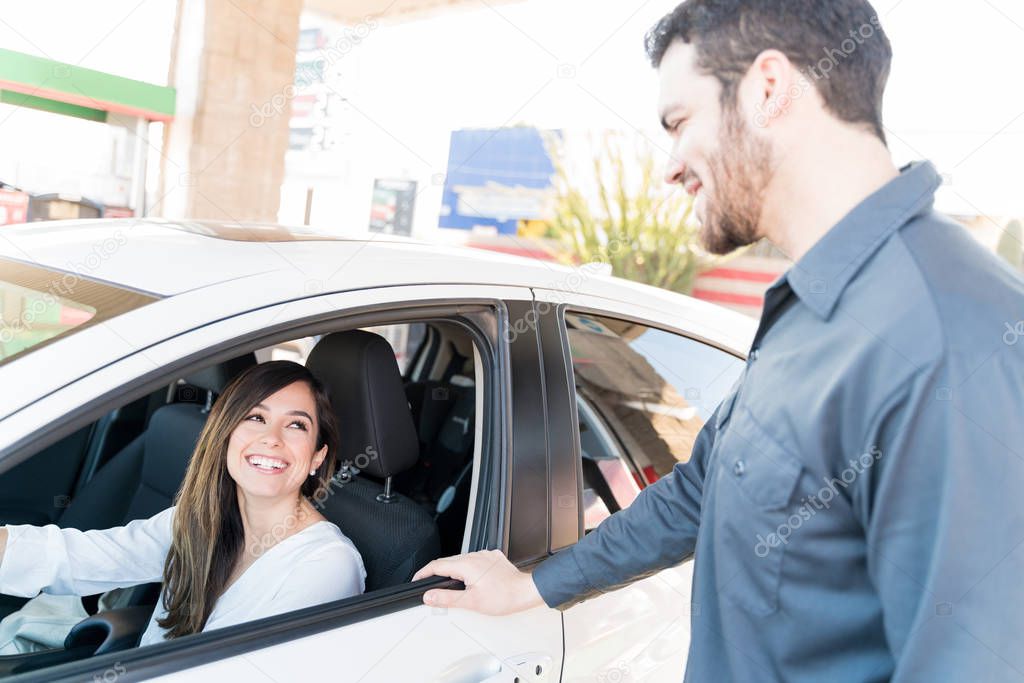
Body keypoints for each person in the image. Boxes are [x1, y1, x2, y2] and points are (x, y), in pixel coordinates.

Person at [413, 1, 1024, 681]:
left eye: (679, 123)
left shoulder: (952, 333)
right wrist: (531, 584)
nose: (671, 166)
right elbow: (701, 488)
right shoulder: (807, 306)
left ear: (768, 89)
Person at [0, 360, 366, 649]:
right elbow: (83, 556)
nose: (271, 439)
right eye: (255, 418)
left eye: (296, 426)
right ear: (224, 435)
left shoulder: (326, 565)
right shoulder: (200, 520)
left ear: (318, 456)